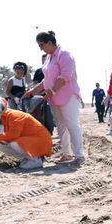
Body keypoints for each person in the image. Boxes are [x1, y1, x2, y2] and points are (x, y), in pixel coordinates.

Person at [24, 31, 84, 165]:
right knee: (61, 126)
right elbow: (47, 79)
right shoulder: (49, 58)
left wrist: (52, 90)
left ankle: (79, 155)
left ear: (50, 43)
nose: (40, 48)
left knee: (72, 124)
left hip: (68, 96)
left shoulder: (65, 55)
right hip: (54, 99)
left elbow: (65, 77)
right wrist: (33, 91)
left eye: (42, 45)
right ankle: (67, 154)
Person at [0, 98, 52, 170]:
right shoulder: (4, 117)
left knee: (14, 143)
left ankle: (36, 160)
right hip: (31, 141)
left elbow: (13, 135)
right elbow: (3, 137)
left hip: (41, 141)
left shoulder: (14, 115)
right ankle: (26, 159)